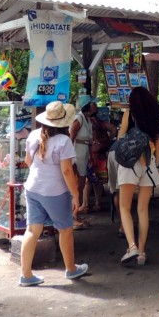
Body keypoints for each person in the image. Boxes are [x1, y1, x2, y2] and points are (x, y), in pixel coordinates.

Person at [18, 101, 89, 287]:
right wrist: (76, 194)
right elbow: (66, 171)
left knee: (32, 230)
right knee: (65, 230)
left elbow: (28, 161)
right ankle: (71, 269)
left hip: (33, 187)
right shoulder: (64, 141)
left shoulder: (34, 135)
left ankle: (26, 274)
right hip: (55, 191)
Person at [117, 86, 159, 266]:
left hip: (130, 163)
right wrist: (158, 164)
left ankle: (132, 246)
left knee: (124, 207)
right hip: (149, 164)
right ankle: (142, 253)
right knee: (143, 209)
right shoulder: (155, 117)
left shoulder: (129, 114)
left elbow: (121, 137)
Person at [68, 96, 94, 229]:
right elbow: (71, 136)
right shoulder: (79, 118)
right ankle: (73, 215)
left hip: (83, 152)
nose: (95, 106)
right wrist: (70, 155)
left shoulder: (86, 119)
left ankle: (75, 213)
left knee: (82, 183)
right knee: (79, 184)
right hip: (77, 153)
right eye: (93, 104)